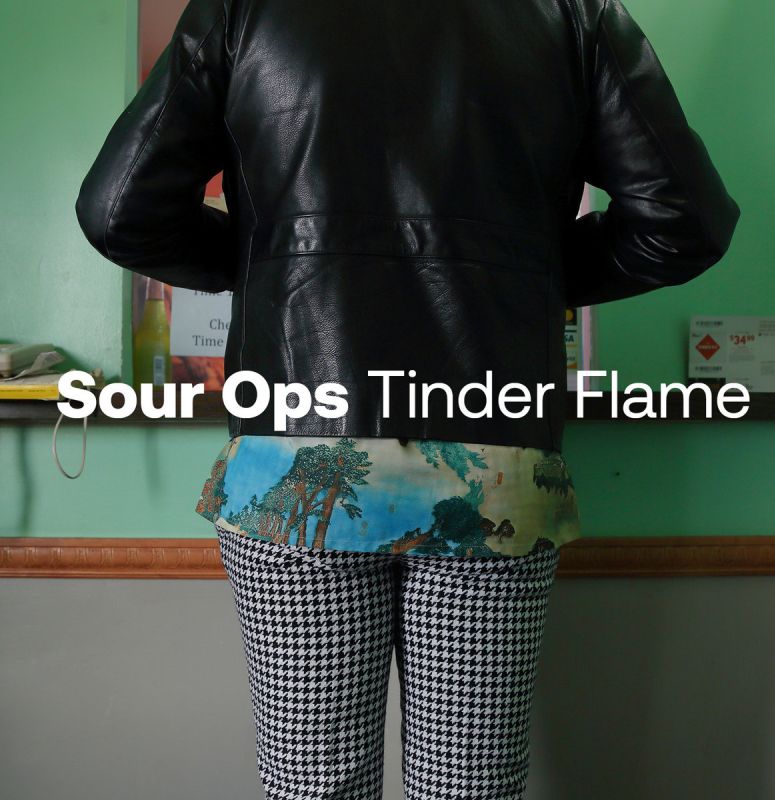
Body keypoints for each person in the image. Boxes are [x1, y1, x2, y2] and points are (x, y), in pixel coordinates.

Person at [74, 0, 740, 797]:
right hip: (493, 462)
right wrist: (525, 276)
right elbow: (684, 221)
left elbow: (118, 210)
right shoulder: (573, 11)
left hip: (295, 462)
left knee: (313, 784)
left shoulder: (243, 6)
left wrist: (266, 261)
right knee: (469, 786)